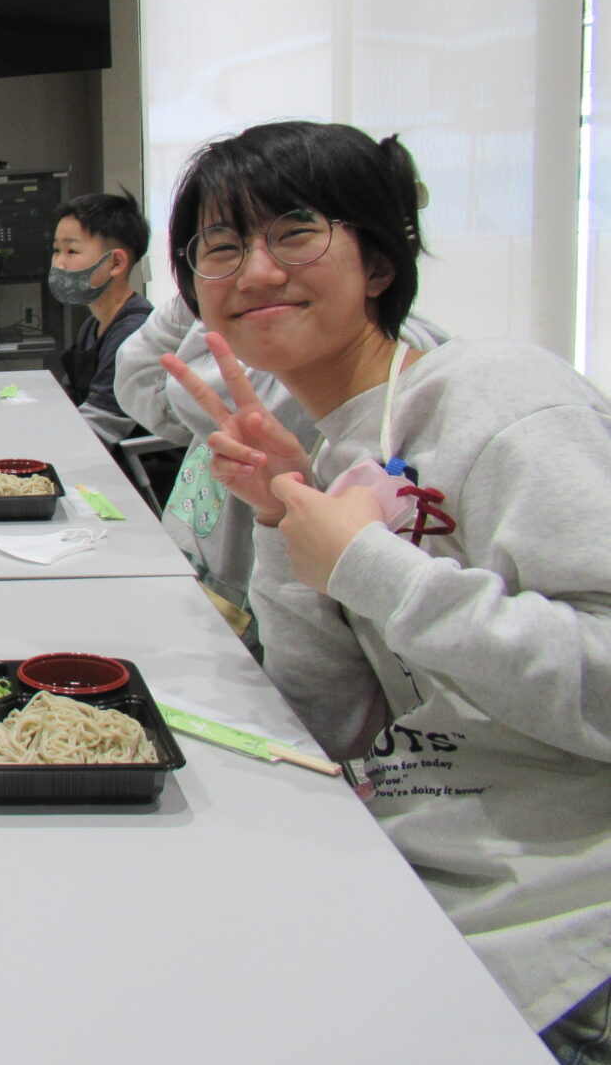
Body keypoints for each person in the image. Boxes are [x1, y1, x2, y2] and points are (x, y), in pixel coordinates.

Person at [159, 121, 611, 1061]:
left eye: (295, 232)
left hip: (563, 940)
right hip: (412, 883)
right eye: (223, 245)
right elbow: (329, 720)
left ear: (377, 260)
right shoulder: (329, 446)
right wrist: (290, 516)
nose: (255, 272)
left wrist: (371, 564)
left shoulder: (501, 396)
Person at [115, 292, 446, 621]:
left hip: (250, 582)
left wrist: (208, 299)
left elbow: (175, 395)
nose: (258, 274)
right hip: (215, 548)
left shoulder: (316, 347)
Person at [50, 191, 181, 494]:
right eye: (56, 250)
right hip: (102, 465)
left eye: (71, 252)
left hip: (135, 479)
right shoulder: (93, 325)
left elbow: (103, 425)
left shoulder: (134, 331)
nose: (58, 263)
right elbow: (69, 401)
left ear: (116, 262)